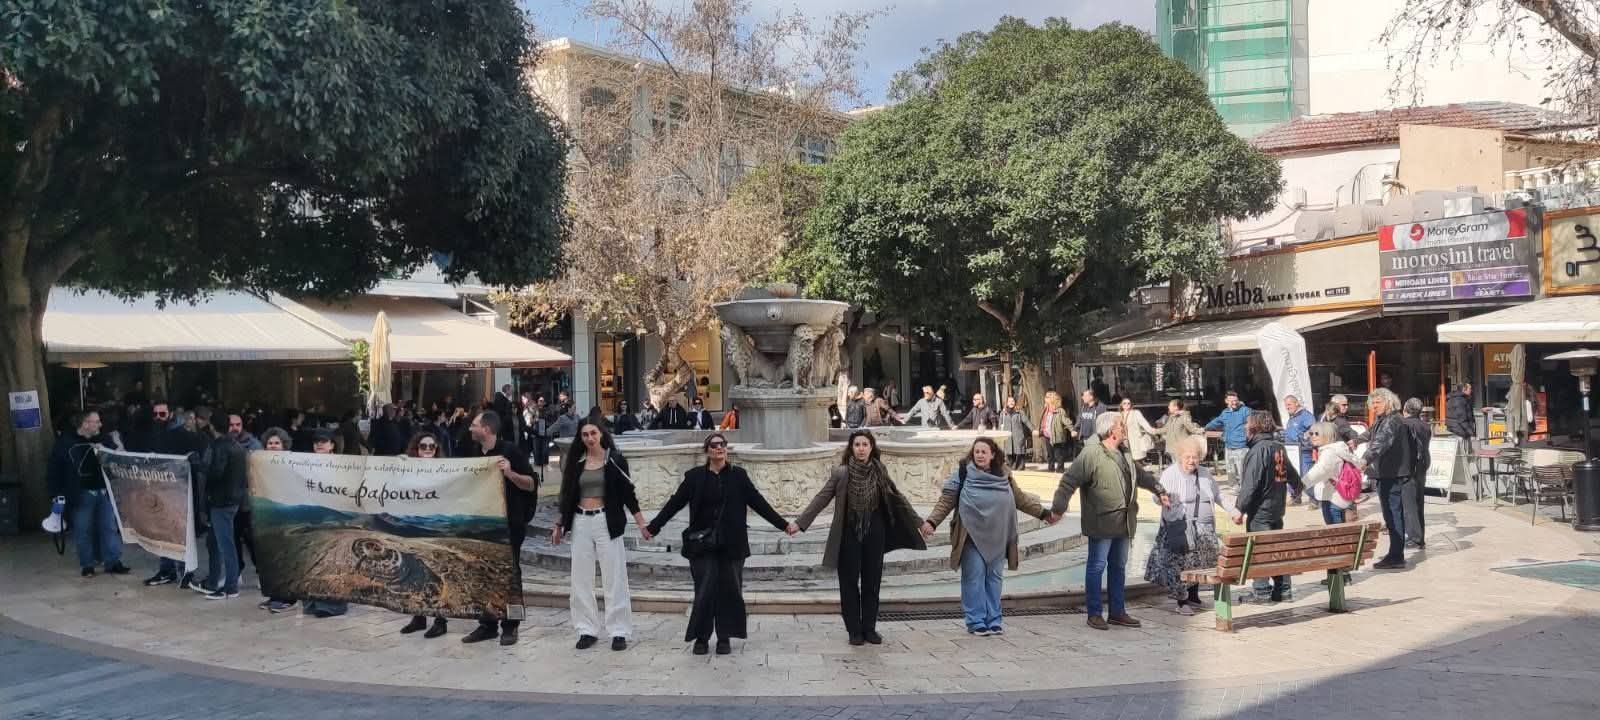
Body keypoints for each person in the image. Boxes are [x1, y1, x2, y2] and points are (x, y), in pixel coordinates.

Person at [645, 433, 795, 655]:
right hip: (702, 543)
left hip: (732, 542)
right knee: (704, 590)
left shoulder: (738, 476)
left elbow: (759, 503)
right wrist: (653, 527)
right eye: (714, 445)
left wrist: (783, 525)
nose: (719, 448)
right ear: (707, 451)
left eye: (722, 444)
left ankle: (724, 636)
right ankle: (701, 637)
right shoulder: (695, 477)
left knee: (730, 589)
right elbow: (674, 503)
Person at [796, 431, 926, 645]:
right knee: (848, 583)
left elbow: (897, 497)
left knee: (872, 582)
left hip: (875, 533)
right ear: (851, 448)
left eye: (865, 444)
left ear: (872, 447)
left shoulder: (880, 471)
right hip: (849, 534)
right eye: (857, 445)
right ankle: (854, 630)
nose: (861, 449)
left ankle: (869, 628)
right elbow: (822, 497)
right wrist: (800, 522)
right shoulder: (842, 473)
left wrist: (920, 522)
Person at [922, 438, 1050, 636]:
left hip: (998, 537)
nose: (980, 455)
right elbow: (946, 500)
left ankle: (994, 620)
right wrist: (932, 522)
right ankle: (976, 621)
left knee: (994, 579)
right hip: (971, 536)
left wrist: (1044, 513)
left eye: (984, 452)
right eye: (977, 451)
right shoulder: (963, 473)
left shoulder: (1004, 475)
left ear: (993, 454)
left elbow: (1021, 500)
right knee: (974, 577)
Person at [1053, 412, 1169, 629]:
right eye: (1120, 425)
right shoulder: (1091, 454)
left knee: (1119, 567)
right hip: (1101, 521)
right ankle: (1094, 613)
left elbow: (1141, 476)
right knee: (1096, 567)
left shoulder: (1124, 452)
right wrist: (1058, 508)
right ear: (1110, 431)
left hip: (1124, 521)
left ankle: (1117, 611)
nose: (1124, 427)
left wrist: (1159, 489)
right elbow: (1068, 481)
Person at [550, 419, 648, 651]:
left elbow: (628, 493)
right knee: (581, 577)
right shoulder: (577, 461)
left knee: (614, 576)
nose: (590, 438)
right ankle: (586, 629)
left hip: (606, 520)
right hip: (581, 520)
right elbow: (567, 495)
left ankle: (619, 630)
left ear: (601, 434)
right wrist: (559, 524)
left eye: (593, 433)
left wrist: (641, 523)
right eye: (585, 435)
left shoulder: (614, 460)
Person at [459, 411, 539, 645]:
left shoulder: (511, 451)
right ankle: (487, 624)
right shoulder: (472, 451)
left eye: (474, 425)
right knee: (482, 573)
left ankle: (511, 625)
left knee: (510, 575)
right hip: (481, 524)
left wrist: (510, 473)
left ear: (486, 429)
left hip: (509, 524)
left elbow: (531, 483)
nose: (470, 429)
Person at [1144, 436, 1238, 616]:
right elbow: (1157, 496)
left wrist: (1233, 511)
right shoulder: (1171, 473)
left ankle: (1193, 596)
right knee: (1180, 564)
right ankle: (1182, 602)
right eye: (1187, 457)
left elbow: (1218, 495)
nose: (1191, 461)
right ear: (1180, 456)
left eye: (1195, 457)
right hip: (1181, 528)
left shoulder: (1205, 473)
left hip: (1204, 528)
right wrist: (1162, 498)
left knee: (1200, 562)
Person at [48, 411, 129, 578]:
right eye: (96, 422)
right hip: (80, 493)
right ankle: (87, 564)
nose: (100, 425)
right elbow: (55, 470)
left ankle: (112, 561)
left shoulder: (103, 439)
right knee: (83, 529)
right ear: (85, 424)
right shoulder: (66, 443)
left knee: (109, 527)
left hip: (103, 490)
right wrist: (56, 493)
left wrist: (111, 447)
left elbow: (119, 458)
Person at [1236, 411, 1303, 603]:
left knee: (1260, 551)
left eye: (1247, 424)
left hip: (1260, 511)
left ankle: (1261, 591)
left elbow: (1251, 483)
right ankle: (1284, 590)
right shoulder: (1278, 447)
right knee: (1277, 550)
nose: (1245, 427)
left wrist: (1239, 508)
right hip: (1277, 509)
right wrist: (1297, 488)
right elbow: (1291, 474)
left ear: (1254, 427)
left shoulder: (1258, 451)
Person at [397, 430, 453, 638]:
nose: (428, 449)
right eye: (423, 446)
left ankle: (440, 620)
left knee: (436, 572)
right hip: (413, 524)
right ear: (416, 449)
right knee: (414, 571)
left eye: (432, 446)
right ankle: (418, 616)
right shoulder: (408, 468)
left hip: (435, 525)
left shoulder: (445, 470)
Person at [193, 411, 247, 600]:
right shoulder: (236, 445)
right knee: (214, 541)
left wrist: (198, 465)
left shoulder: (220, 446)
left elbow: (216, 473)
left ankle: (230, 586)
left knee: (225, 544)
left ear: (212, 427)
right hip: (232, 499)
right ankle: (213, 581)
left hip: (222, 501)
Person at [301, 429, 352, 618]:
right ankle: (313, 601)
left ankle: (332, 605)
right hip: (312, 518)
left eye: (324, 441)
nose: (319, 444)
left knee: (333, 560)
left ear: (332, 445)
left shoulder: (343, 466)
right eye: (316, 441)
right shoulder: (305, 464)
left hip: (334, 518)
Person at [1364, 389, 1414, 570]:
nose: (1374, 406)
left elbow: (1380, 442)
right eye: (1372, 403)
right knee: (1390, 514)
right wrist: (1355, 439)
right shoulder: (1384, 419)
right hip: (1386, 473)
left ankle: (1396, 556)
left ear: (1388, 402)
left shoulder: (1392, 420)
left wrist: (1364, 460)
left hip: (1391, 474)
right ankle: (1395, 553)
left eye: (1378, 402)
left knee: (1393, 514)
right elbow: (1371, 434)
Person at [1301, 421, 1363, 527]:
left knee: (1336, 533)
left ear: (1328, 435)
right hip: (1342, 497)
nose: (1313, 436)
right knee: (1342, 532)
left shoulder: (1328, 452)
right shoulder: (1339, 449)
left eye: (1317, 433)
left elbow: (1320, 470)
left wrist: (1300, 484)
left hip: (1332, 499)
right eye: (1311, 433)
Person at [1400, 398, 1431, 549]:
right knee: (1418, 502)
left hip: (1408, 467)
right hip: (1422, 466)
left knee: (1409, 503)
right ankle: (1420, 537)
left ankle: (1414, 537)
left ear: (1405, 409)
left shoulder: (1405, 424)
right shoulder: (1425, 425)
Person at [1204, 391, 1250, 483]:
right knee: (1230, 471)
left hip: (1241, 447)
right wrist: (1204, 428)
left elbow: (1252, 423)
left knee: (1243, 472)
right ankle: (1233, 488)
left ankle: (1244, 489)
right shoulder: (1225, 412)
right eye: (1232, 401)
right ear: (1226, 401)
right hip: (1228, 447)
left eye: (1236, 400)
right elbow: (1216, 422)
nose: (1234, 403)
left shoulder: (1245, 411)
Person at [1281, 395, 1316, 505]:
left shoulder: (1306, 416)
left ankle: (1314, 500)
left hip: (1304, 452)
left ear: (1296, 403)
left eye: (1289, 404)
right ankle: (1295, 497)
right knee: (1292, 475)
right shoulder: (1292, 417)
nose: (1287, 407)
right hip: (1292, 452)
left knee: (1307, 476)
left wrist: (1302, 437)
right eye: (1286, 405)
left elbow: (1314, 430)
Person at [1156, 399, 1204, 465]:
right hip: (1171, 447)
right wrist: (1153, 431)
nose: (1168, 407)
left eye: (1170, 405)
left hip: (1181, 447)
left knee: (1181, 465)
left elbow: (1192, 429)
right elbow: (1165, 429)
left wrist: (1203, 430)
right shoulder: (1171, 417)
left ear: (1176, 407)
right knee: (1175, 465)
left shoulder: (1184, 416)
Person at [1038, 391, 1070, 472]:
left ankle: (1060, 469)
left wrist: (1072, 429)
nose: (1045, 398)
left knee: (1058, 454)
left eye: (1047, 397)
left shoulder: (1060, 410)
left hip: (1056, 435)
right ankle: (1050, 468)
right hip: (1047, 435)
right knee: (1050, 454)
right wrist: (1040, 430)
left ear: (1052, 399)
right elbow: (1043, 421)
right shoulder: (1046, 410)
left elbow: (1066, 421)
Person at [1118, 399, 1157, 464]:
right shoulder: (1119, 415)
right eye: (1124, 403)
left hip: (1135, 441)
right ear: (1121, 405)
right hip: (1124, 442)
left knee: (1137, 461)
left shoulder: (1136, 413)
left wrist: (1154, 431)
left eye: (1128, 403)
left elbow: (1145, 424)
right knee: (1127, 461)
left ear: (1131, 405)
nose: (1126, 405)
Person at [1072, 390, 1107, 461]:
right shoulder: (1084, 407)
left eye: (1084, 396)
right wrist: (1075, 429)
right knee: (1088, 458)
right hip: (1085, 438)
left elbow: (1103, 422)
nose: (1082, 398)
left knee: (1095, 457)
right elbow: (1080, 419)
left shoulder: (1100, 407)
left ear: (1091, 397)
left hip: (1095, 437)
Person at [998, 396, 1031, 469]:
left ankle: (1020, 469)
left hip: (1018, 436)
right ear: (1006, 403)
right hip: (1008, 438)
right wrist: (999, 435)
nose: (1011, 403)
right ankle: (1011, 469)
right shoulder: (1003, 413)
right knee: (1009, 454)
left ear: (1015, 402)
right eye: (1009, 401)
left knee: (1019, 453)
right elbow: (1000, 425)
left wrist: (1033, 429)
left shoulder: (1020, 412)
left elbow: (1026, 421)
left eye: (1013, 401)